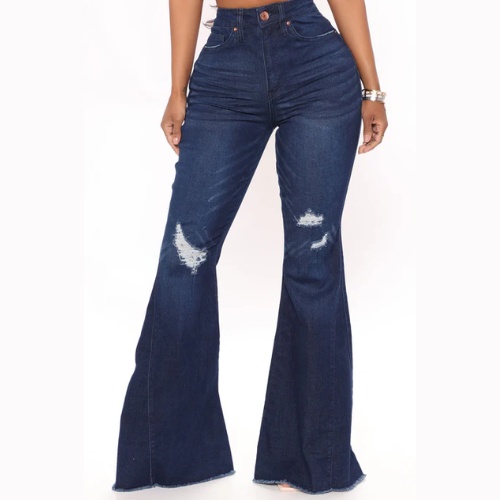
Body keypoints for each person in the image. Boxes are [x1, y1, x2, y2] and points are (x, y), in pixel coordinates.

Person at [111, 0, 388, 495]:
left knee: (313, 262)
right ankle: (169, 458)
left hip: (315, 64)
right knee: (184, 258)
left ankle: (311, 463)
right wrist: (177, 89)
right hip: (225, 68)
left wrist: (372, 88)